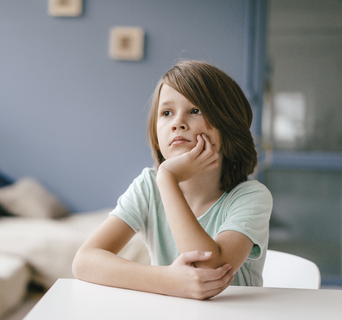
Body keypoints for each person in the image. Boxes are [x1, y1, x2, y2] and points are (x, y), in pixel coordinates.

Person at [72, 60, 272, 300]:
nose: (178, 123)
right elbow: (84, 261)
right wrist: (167, 280)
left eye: (195, 110)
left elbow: (207, 272)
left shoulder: (251, 197)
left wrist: (167, 178)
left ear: (227, 125)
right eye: (167, 113)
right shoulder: (147, 186)